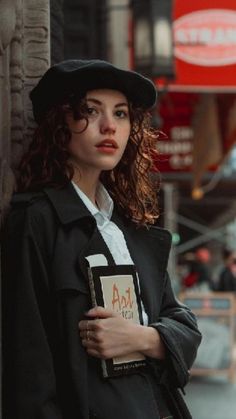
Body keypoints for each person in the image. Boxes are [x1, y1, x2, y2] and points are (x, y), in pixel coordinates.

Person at [2, 59, 202, 419]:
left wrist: (142, 338)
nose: (109, 126)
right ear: (58, 123)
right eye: (89, 111)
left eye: (121, 114)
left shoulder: (130, 226)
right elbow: (29, 370)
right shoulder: (38, 221)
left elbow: (183, 324)